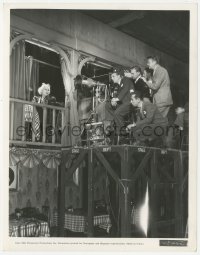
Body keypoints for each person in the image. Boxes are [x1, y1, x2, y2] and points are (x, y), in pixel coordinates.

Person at [105, 67, 135, 137]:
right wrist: (113, 101)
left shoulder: (126, 80)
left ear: (119, 76)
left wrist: (116, 99)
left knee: (117, 112)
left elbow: (124, 91)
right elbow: (117, 95)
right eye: (111, 76)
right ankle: (117, 120)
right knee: (107, 105)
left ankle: (123, 132)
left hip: (129, 103)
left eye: (113, 76)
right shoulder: (118, 85)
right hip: (122, 104)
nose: (112, 78)